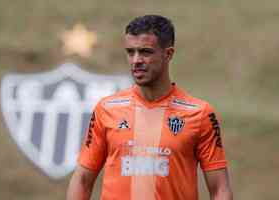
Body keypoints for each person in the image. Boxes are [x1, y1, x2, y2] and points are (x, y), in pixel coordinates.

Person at [67, 15, 233, 200]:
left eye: (145, 52)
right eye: (131, 52)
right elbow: (82, 179)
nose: (136, 60)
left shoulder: (199, 113)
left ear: (168, 54)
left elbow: (220, 189)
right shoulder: (107, 109)